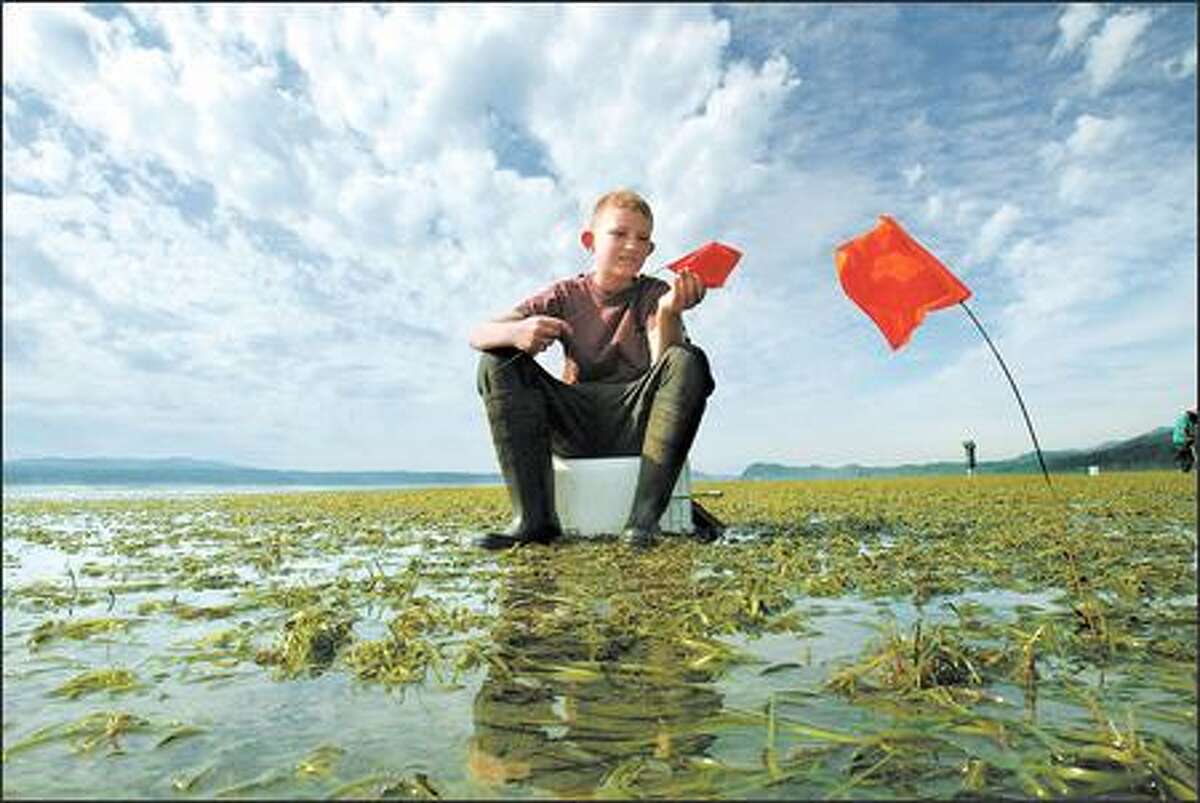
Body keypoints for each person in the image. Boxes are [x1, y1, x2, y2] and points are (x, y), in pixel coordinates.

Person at [468, 188, 714, 550]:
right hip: (573, 422)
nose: (632, 246)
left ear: (651, 251)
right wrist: (517, 332)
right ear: (590, 240)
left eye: (642, 239)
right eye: (619, 234)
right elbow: (478, 333)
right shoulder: (564, 294)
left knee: (688, 359)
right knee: (496, 358)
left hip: (636, 420)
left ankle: (643, 521)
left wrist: (669, 312)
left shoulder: (655, 292)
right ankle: (534, 521)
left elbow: (666, 363)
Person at [1172, 408, 1196, 473]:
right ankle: (1182, 468)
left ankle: (1184, 469)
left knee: (1189, 457)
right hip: (1181, 440)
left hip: (1181, 440)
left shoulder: (1188, 419)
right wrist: (1189, 437)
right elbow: (1184, 430)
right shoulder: (1184, 419)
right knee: (1188, 457)